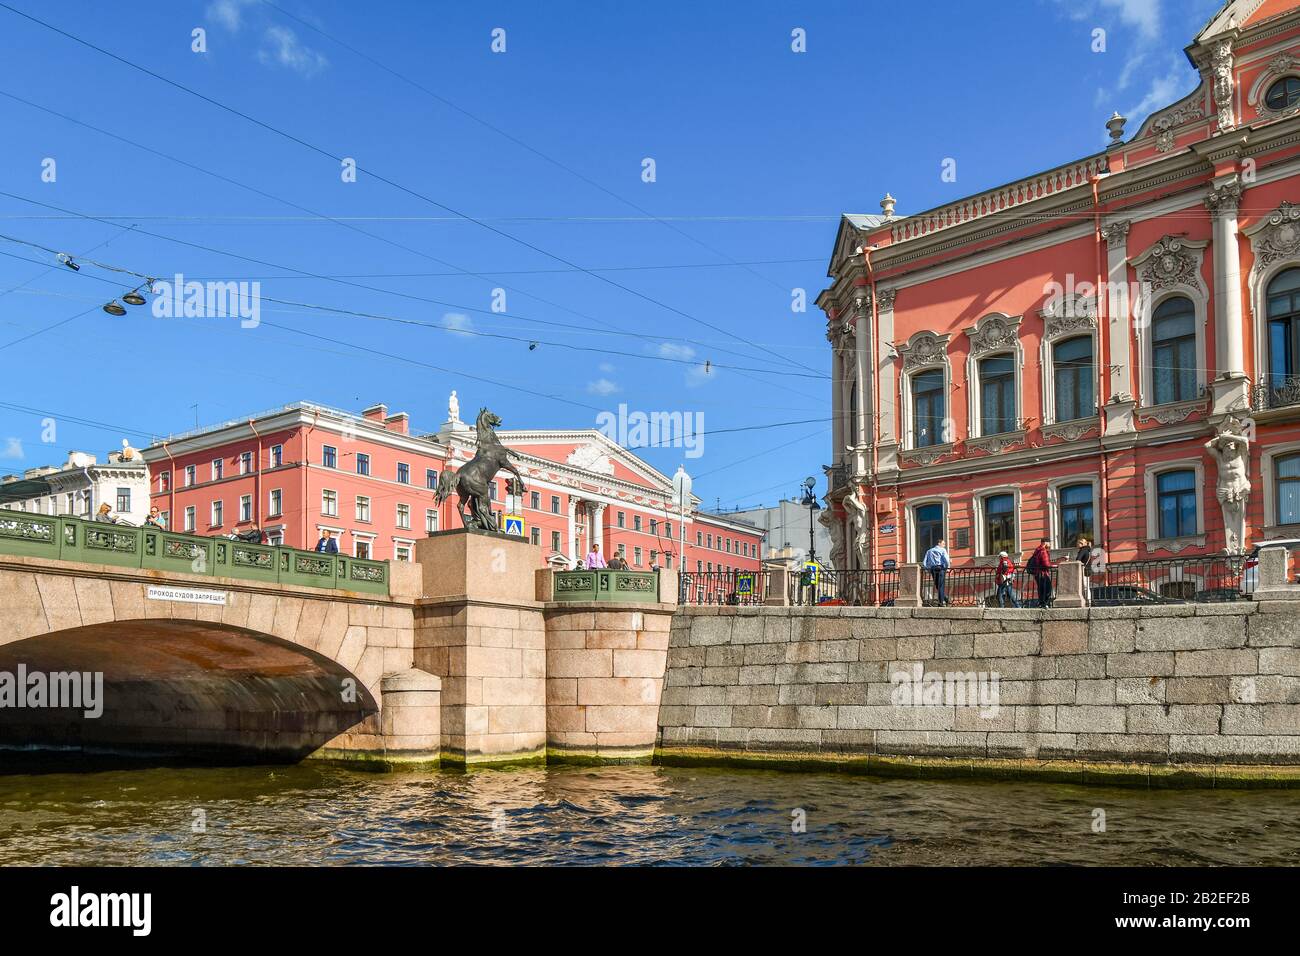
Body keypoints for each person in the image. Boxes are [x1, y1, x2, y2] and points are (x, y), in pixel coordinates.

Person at [1027, 537, 1055, 608]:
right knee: (1047, 588)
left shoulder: (1037, 550)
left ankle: (1042, 603)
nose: (1050, 544)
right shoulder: (1043, 551)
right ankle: (1044, 604)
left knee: (1041, 588)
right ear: (1045, 543)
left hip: (1037, 573)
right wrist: (1053, 565)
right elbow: (1046, 564)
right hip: (1042, 573)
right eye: (1049, 543)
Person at [922, 538, 950, 606]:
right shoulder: (942, 550)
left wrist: (927, 569)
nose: (944, 545)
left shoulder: (929, 551)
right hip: (941, 569)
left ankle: (945, 598)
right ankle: (941, 602)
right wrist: (947, 567)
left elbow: (924, 563)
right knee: (941, 585)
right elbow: (946, 560)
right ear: (939, 543)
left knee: (937, 585)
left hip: (933, 569)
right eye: (943, 544)